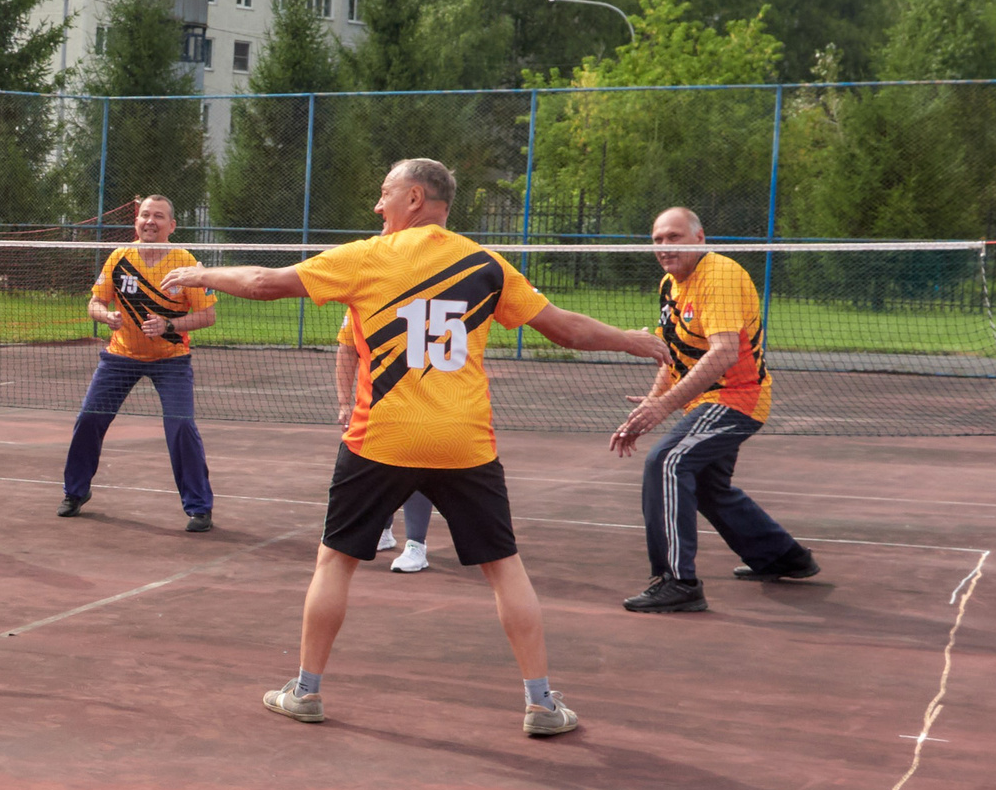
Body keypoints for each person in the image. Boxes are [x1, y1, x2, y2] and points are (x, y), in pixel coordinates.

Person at [186, 157, 667, 736]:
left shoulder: (367, 256)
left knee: (335, 560)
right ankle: (540, 703)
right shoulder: (485, 264)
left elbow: (264, 284)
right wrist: (635, 342)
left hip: (381, 438)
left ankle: (306, 690)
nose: (376, 206)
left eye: (384, 193)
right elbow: (567, 329)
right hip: (463, 441)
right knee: (504, 567)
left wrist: (200, 274)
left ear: (414, 197)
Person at [613, 207, 817, 613]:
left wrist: (663, 408)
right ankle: (781, 556)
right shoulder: (670, 283)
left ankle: (677, 582)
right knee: (707, 486)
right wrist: (653, 403)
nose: (665, 247)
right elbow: (672, 354)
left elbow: (723, 352)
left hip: (736, 398)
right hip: (707, 399)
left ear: (699, 238)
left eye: (674, 237)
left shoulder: (719, 276)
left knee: (667, 462)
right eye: (658, 240)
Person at [57, 194, 216, 531]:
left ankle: (199, 507)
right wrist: (106, 316)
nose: (150, 221)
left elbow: (208, 315)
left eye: (158, 216)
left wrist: (169, 325)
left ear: (171, 226)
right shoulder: (120, 257)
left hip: (171, 359)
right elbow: (94, 303)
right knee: (89, 419)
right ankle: (75, 491)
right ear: (136, 222)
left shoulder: (185, 262)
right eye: (145, 215)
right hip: (121, 356)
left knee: (181, 427)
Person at [340, 314, 438, 571]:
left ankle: (417, 545)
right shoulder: (362, 296)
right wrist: (343, 402)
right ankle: (382, 531)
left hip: (422, 403)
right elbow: (347, 348)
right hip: (377, 405)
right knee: (376, 470)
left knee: (414, 469)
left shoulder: (428, 296)